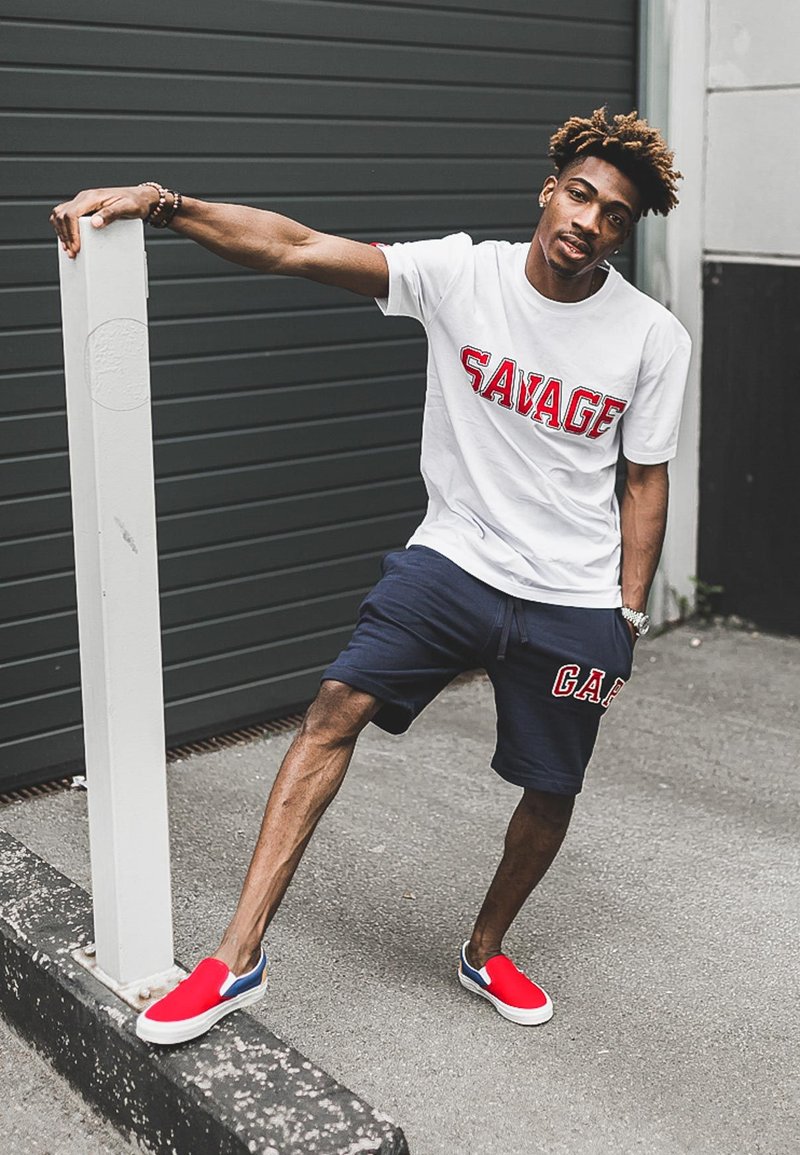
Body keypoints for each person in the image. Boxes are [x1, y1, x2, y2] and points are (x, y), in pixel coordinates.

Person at [51, 108, 691, 1044]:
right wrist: (162, 203)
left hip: (574, 596)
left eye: (615, 214)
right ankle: (236, 957)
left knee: (552, 787)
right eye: (582, 194)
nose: (591, 221)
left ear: (624, 233)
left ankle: (485, 948)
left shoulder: (651, 337)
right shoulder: (461, 274)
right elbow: (298, 248)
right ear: (548, 191)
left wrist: (626, 614)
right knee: (333, 708)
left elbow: (644, 480)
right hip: (454, 560)